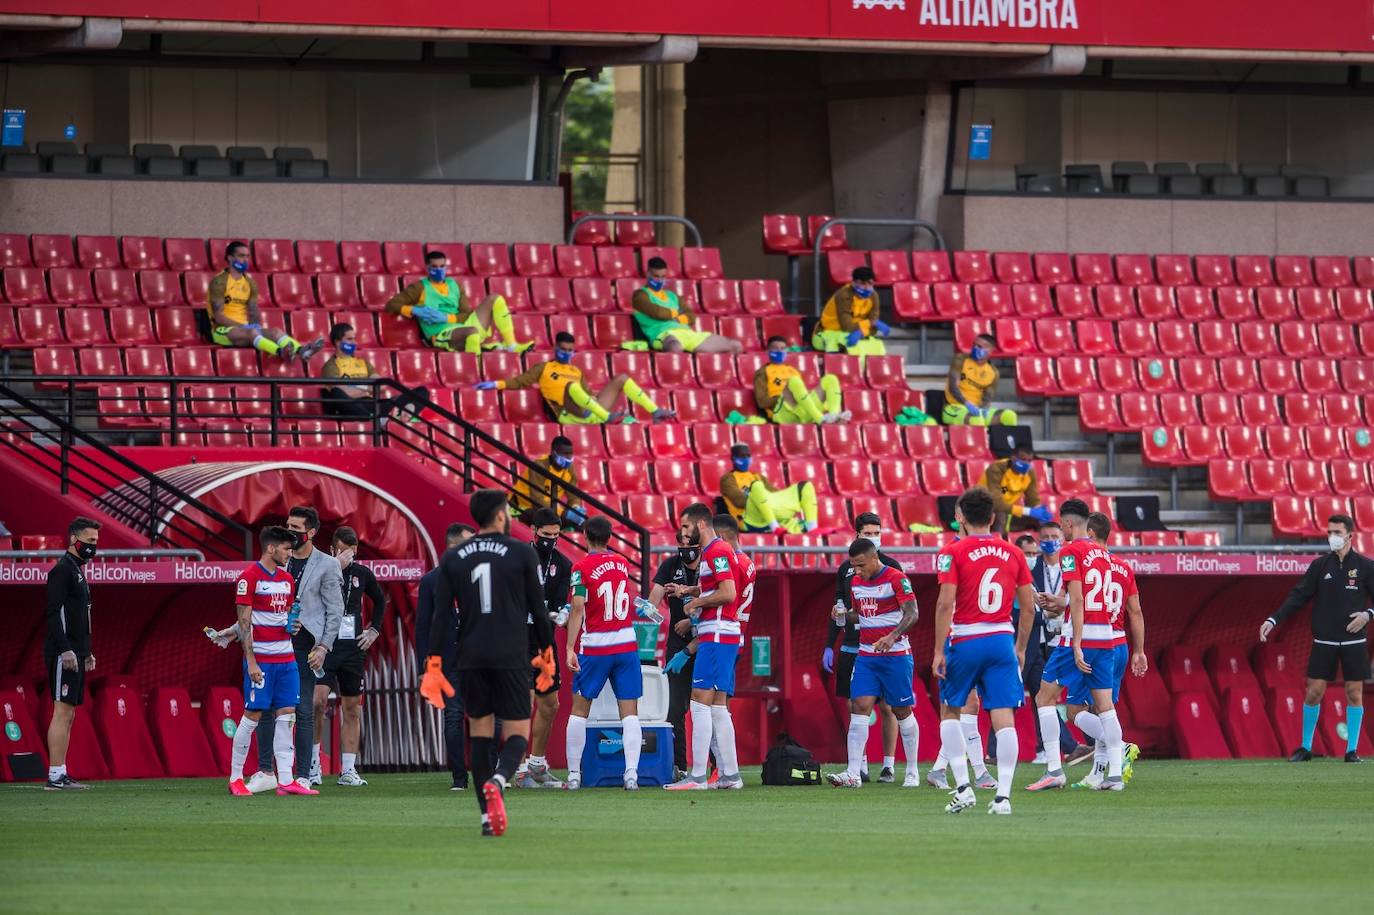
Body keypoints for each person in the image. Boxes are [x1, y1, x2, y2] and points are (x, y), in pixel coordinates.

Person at [420, 490, 555, 837]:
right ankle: (499, 778)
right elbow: (539, 611)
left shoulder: (453, 558)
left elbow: (439, 618)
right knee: (517, 733)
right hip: (511, 655)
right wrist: (547, 653)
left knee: (480, 735)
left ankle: (485, 816)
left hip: (470, 656)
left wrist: (433, 664)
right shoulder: (522, 552)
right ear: (499, 516)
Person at [931, 486, 1035, 815]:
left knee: (951, 711)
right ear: (992, 518)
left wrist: (938, 651)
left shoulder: (952, 552)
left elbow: (945, 603)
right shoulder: (1014, 553)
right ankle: (1003, 797)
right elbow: (1028, 608)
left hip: (965, 639)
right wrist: (1020, 648)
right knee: (1004, 717)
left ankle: (963, 788)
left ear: (961, 517)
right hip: (1001, 640)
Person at [1260, 513, 1374, 763]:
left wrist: (1368, 614)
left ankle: (1351, 751)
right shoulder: (1319, 566)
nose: (1332, 537)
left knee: (1354, 693)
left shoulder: (1366, 567)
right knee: (1314, 692)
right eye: (1329, 532)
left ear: (1350, 535)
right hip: (1324, 641)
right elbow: (1298, 596)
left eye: (1337, 532)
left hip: (1354, 642)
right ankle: (1305, 747)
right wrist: (1273, 619)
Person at [251, 506, 343, 792]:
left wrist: (324, 646)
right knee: (266, 706)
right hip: (273, 641)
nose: (289, 532)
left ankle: (303, 774)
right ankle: (266, 771)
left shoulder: (328, 564)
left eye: (295, 528)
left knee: (302, 709)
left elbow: (335, 610)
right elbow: (256, 603)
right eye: (287, 525)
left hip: (306, 645)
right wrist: (234, 631)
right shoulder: (278, 558)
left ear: (311, 532)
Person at [826, 539, 922, 789]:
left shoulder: (896, 578)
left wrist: (892, 637)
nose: (857, 571)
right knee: (859, 706)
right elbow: (861, 614)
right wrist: (843, 614)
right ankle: (853, 773)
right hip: (867, 655)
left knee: (901, 710)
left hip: (896, 655)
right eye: (853, 566)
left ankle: (912, 770)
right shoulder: (856, 583)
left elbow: (912, 613)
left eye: (860, 565)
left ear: (873, 558)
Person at [227, 526, 316, 796]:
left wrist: (293, 626)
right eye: (286, 549)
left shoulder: (287, 580)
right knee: (253, 715)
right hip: (262, 661)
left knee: (287, 714)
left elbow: (285, 616)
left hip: (287, 659)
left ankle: (286, 780)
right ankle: (236, 778)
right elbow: (244, 624)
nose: (290, 553)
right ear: (270, 548)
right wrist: (251, 662)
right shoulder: (249, 577)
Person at [564, 517, 646, 790]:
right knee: (630, 712)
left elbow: (578, 607)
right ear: (610, 537)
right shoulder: (622, 563)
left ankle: (574, 775)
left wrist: (569, 647)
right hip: (626, 645)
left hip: (596, 647)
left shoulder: (580, 567)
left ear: (585, 535)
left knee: (579, 710)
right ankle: (631, 774)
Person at [664, 503, 742, 790]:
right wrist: (691, 590)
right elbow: (719, 586)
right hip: (721, 633)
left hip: (717, 633)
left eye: (686, 527)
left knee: (699, 700)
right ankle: (730, 775)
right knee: (718, 707)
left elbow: (728, 593)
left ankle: (697, 776)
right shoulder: (715, 552)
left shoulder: (717, 551)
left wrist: (696, 602)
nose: (683, 534)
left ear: (700, 525)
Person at [823, 511, 900, 783]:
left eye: (877, 533)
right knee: (855, 705)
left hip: (884, 646)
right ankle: (861, 765)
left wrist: (893, 637)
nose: (873, 537)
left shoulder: (892, 567)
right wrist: (829, 644)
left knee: (889, 707)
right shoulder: (846, 569)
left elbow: (904, 609)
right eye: (868, 533)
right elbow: (840, 605)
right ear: (858, 535)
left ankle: (889, 765)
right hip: (852, 644)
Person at [309, 526, 386, 787]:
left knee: (352, 707)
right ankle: (313, 765)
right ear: (332, 549)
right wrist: (335, 567)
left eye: (351, 552)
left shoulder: (362, 574)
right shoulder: (319, 569)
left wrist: (374, 630)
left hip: (352, 648)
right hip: (324, 646)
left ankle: (348, 770)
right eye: (342, 551)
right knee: (317, 702)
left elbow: (380, 600)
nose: (347, 556)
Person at [1063, 512, 1130, 791]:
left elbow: (1080, 600)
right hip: (1117, 642)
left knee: (1070, 709)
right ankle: (1102, 771)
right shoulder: (1120, 566)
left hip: (1089, 639)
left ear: (1090, 532)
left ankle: (1120, 747)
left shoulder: (1082, 557)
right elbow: (1136, 611)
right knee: (1104, 709)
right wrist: (1139, 651)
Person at [476, 331, 674, 424]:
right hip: (568, 414)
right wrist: (496, 383)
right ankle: (606, 418)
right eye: (563, 349)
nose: (566, 353)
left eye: (570, 350)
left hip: (589, 412)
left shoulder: (576, 371)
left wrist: (596, 400)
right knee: (571, 387)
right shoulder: (544, 367)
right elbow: (520, 381)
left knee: (622, 378)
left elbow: (587, 394)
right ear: (555, 348)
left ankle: (655, 411)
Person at [1024, 525, 1090, 769]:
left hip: (1070, 638)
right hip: (1043, 640)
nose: (1050, 541)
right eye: (1045, 538)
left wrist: (1059, 605)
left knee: (1080, 698)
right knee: (1042, 695)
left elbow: (1077, 600)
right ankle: (1052, 749)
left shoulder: (1071, 563)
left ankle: (1096, 745)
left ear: (1063, 538)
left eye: (1054, 537)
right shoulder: (1033, 567)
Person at [516, 508, 573, 789]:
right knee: (522, 703)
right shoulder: (518, 557)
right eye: (546, 534)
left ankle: (537, 765)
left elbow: (561, 600)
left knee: (550, 705)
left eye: (555, 535)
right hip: (519, 639)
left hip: (544, 642)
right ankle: (518, 769)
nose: (550, 540)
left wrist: (561, 613)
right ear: (534, 531)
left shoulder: (562, 563)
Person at [416, 522, 475, 790]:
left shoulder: (480, 576)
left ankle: (489, 772)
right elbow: (423, 626)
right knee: (453, 716)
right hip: (449, 660)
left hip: (479, 657)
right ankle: (459, 777)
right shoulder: (431, 581)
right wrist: (424, 666)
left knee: (488, 715)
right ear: (453, 547)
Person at [43, 517, 100, 791]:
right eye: (90, 541)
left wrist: (86, 652)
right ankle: (55, 776)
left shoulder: (77, 571)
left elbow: (81, 617)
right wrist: (65, 648)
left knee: (70, 714)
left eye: (96, 542)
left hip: (76, 651)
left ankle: (61, 772)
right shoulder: (62, 571)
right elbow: (53, 613)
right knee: (62, 711)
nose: (93, 546)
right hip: (62, 652)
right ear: (74, 539)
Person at [385, 249, 531, 353]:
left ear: (446, 267)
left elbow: (466, 314)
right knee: (472, 332)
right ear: (427, 268)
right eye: (434, 267)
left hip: (461, 325)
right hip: (440, 333)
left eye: (442, 266)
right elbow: (391, 305)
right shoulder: (419, 287)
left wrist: (446, 317)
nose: (439, 270)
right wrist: (414, 310)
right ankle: (476, 368)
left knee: (495, 298)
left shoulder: (455, 285)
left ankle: (511, 345)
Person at [207, 241, 324, 362]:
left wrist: (257, 327)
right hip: (222, 330)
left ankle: (301, 350)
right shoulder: (219, 282)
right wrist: (244, 327)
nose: (245, 260)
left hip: (246, 330)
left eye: (247, 256)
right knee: (252, 332)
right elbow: (219, 317)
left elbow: (253, 311)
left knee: (275, 332)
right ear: (230, 258)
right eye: (241, 256)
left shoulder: (250, 283)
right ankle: (280, 352)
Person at [644, 531, 701, 778]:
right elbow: (654, 598)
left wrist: (691, 619)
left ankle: (714, 766)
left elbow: (715, 599)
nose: (684, 549)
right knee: (674, 707)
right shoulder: (670, 565)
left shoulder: (709, 566)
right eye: (680, 544)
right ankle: (680, 766)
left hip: (705, 637)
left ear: (699, 545)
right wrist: (649, 607)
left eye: (689, 544)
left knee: (705, 705)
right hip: (678, 642)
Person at [632, 256, 742, 354]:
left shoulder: (672, 296)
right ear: (648, 274)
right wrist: (677, 313)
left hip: (687, 333)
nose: (660, 280)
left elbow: (691, 317)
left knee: (736, 345)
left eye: (663, 276)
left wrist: (677, 318)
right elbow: (658, 313)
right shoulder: (640, 295)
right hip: (663, 335)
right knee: (675, 347)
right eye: (656, 276)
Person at [319, 323, 429, 420]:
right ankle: (378, 419)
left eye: (354, 339)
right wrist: (369, 390)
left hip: (374, 404)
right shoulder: (330, 366)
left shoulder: (363, 363)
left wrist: (363, 391)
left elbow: (382, 386)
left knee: (422, 391)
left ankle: (408, 409)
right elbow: (343, 393)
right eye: (349, 339)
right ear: (338, 342)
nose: (354, 342)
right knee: (336, 393)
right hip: (354, 406)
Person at [718, 443, 819, 534]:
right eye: (742, 456)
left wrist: (780, 503)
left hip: (767, 512)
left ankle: (812, 527)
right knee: (757, 487)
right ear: (733, 458)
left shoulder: (757, 476)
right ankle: (774, 527)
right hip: (748, 520)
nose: (745, 459)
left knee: (806, 486)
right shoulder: (728, 479)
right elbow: (739, 501)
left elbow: (775, 494)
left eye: (748, 456)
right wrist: (758, 497)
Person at [753, 335, 850, 425]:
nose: (779, 351)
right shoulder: (762, 372)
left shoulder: (792, 370)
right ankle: (820, 419)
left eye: (782, 348)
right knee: (794, 381)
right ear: (768, 351)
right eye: (775, 348)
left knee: (831, 379)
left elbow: (802, 394)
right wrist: (782, 397)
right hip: (783, 413)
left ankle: (834, 415)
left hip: (804, 409)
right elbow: (762, 402)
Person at [942, 332, 1018, 426]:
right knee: (976, 420)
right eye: (975, 345)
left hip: (977, 410)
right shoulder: (960, 359)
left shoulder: (993, 372)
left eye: (980, 347)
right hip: (953, 408)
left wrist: (982, 409)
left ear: (991, 351)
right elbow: (953, 387)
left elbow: (987, 398)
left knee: (1009, 416)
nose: (976, 348)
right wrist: (967, 404)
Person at [512, 435, 586, 528]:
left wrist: (575, 508)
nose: (568, 457)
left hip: (550, 508)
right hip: (523, 505)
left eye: (570, 454)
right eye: (565, 454)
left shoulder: (570, 468)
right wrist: (564, 513)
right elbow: (537, 500)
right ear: (553, 453)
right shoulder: (540, 466)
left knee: (582, 523)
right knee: (548, 520)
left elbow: (574, 495)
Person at [812, 266, 889, 356]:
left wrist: (862, 332)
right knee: (853, 345)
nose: (867, 288)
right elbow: (847, 327)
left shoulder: (873, 296)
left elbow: (873, 328)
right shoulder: (844, 295)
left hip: (855, 332)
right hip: (828, 333)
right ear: (853, 283)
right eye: (863, 284)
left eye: (870, 283)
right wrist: (869, 324)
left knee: (877, 346)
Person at [978, 445, 1052, 533]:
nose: (1026, 463)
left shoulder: (1030, 473)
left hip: (1007, 510)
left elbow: (1033, 500)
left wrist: (1040, 511)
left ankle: (1044, 540)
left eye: (1029, 460)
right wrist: (1027, 511)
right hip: (982, 507)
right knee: (1000, 515)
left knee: (1040, 520)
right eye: (1023, 459)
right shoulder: (997, 468)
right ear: (1013, 458)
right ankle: (998, 540)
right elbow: (996, 503)